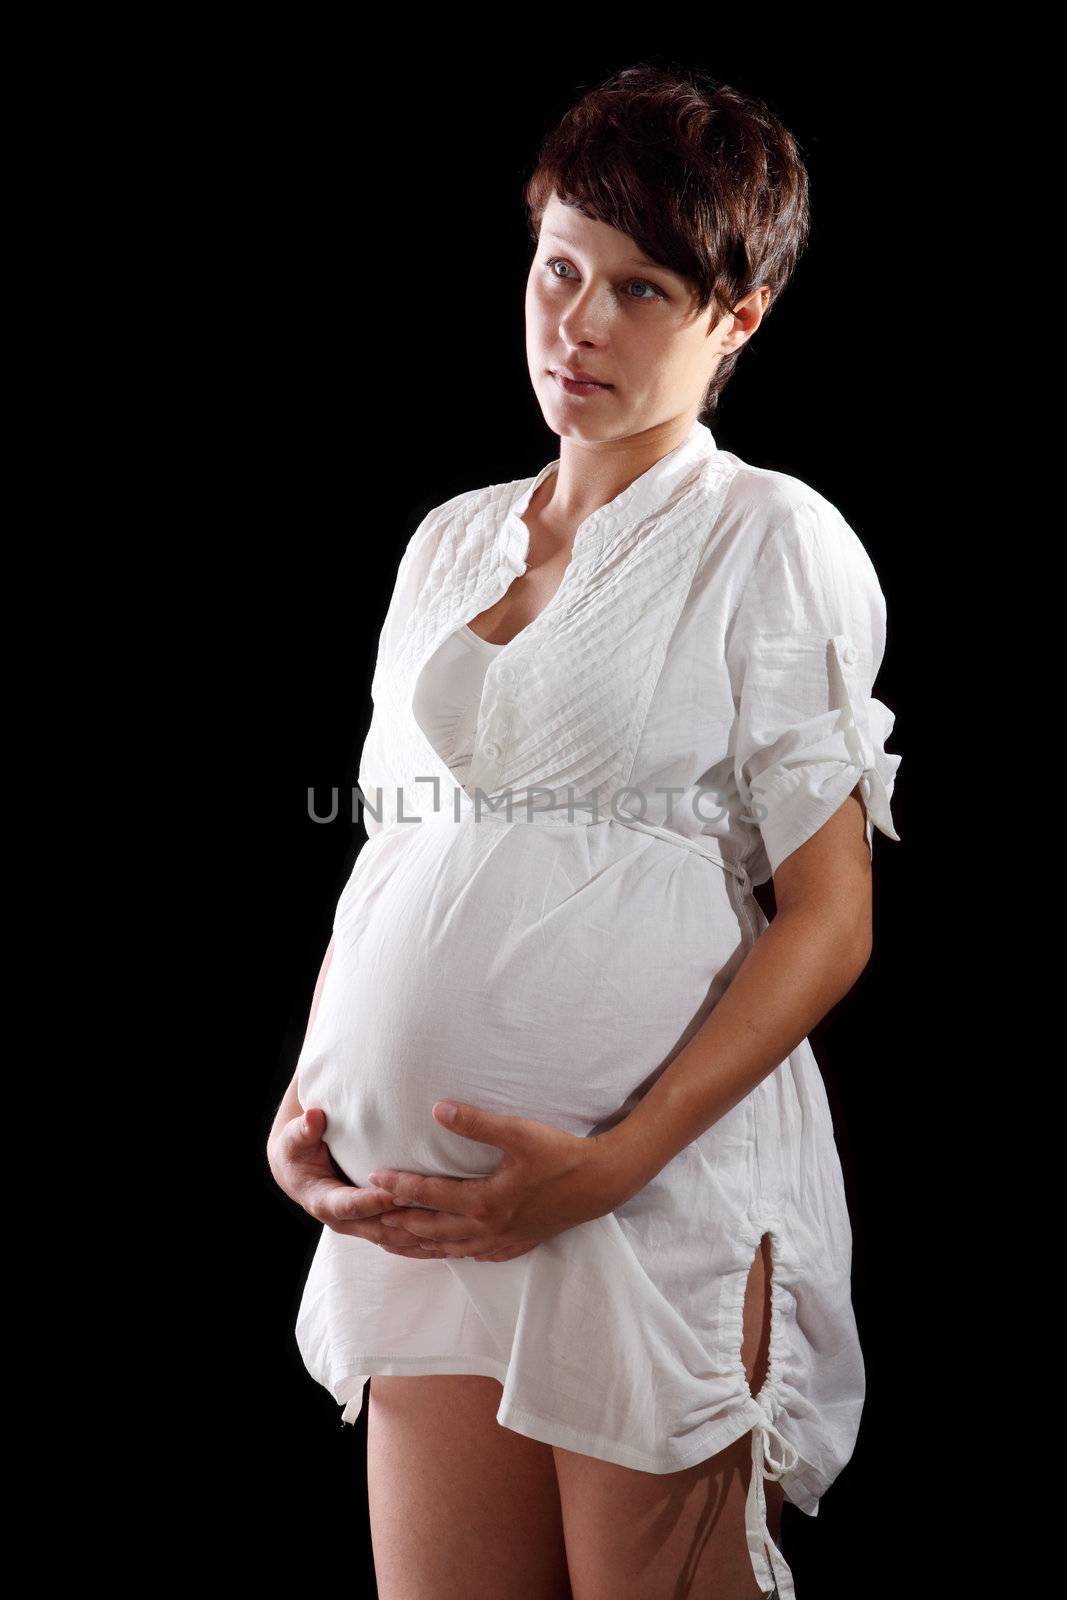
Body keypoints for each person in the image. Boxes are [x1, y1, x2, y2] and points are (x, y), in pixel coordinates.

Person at [266, 63, 901, 1600]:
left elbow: (831, 919)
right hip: (415, 1217)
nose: (581, 323)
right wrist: (312, 1087)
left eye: (641, 288)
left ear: (735, 320)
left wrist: (609, 1166)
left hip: (649, 1204)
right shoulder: (447, 539)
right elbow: (392, 852)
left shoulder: (771, 539)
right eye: (560, 267)